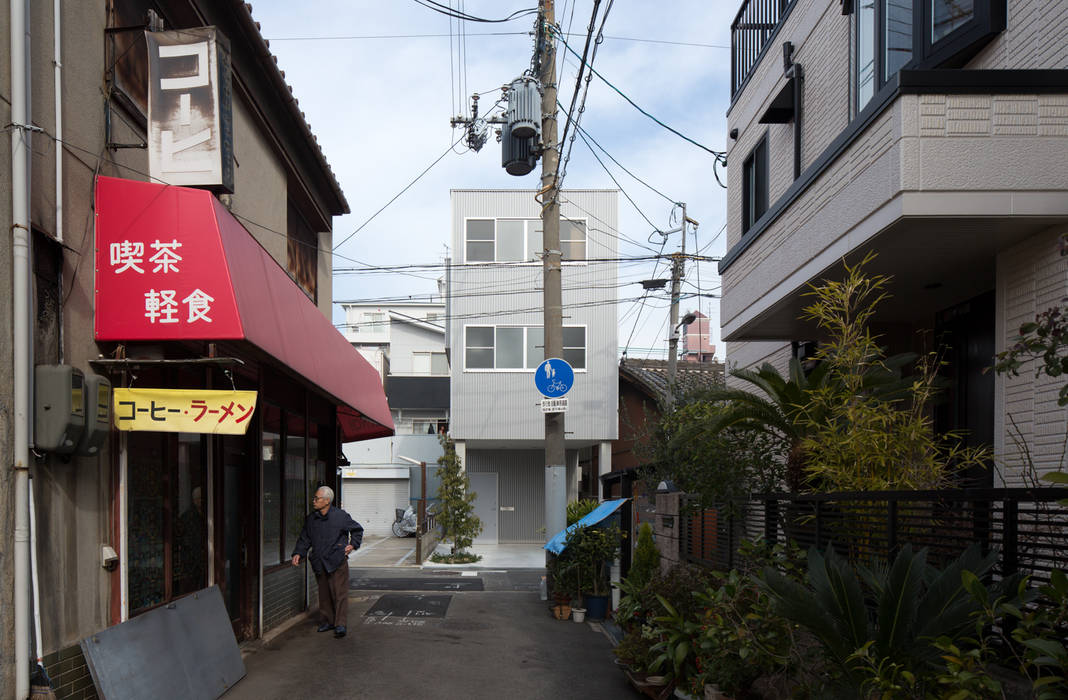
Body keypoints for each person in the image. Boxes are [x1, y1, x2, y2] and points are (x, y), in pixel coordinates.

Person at [291, 486, 363, 638]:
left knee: (339, 593)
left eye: (317, 498)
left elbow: (357, 529)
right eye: (315, 498)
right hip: (319, 561)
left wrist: (353, 544)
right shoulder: (311, 519)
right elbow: (305, 538)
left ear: (327, 501)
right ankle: (328, 621)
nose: (314, 501)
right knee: (324, 594)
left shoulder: (340, 516)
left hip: (337, 560)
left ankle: (340, 624)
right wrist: (298, 552)